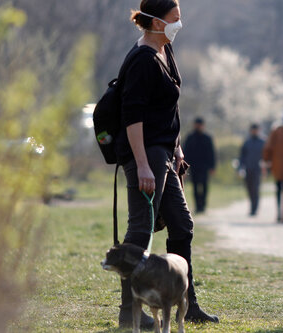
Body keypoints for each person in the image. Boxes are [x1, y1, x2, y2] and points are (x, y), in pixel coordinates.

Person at [114, 0, 218, 328]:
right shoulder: (143, 58)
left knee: (182, 226)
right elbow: (133, 117)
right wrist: (143, 165)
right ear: (157, 22)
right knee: (141, 229)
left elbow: (166, 109)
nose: (179, 24)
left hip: (166, 153)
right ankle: (128, 312)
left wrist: (178, 146)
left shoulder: (165, 49)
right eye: (175, 19)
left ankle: (187, 303)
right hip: (145, 154)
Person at [183, 117, 216, 213]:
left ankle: (203, 206)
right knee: (195, 187)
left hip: (204, 167)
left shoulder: (207, 138)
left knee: (204, 186)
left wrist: (212, 166)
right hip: (193, 167)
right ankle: (197, 206)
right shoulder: (190, 138)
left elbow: (211, 153)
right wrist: (184, 168)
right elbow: (186, 153)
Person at [238, 123, 265, 216]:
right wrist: (240, 168)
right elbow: (242, 156)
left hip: (258, 169)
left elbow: (266, 156)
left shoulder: (263, 142)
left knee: (256, 189)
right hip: (248, 169)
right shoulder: (247, 142)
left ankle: (254, 208)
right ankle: (252, 206)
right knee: (249, 188)